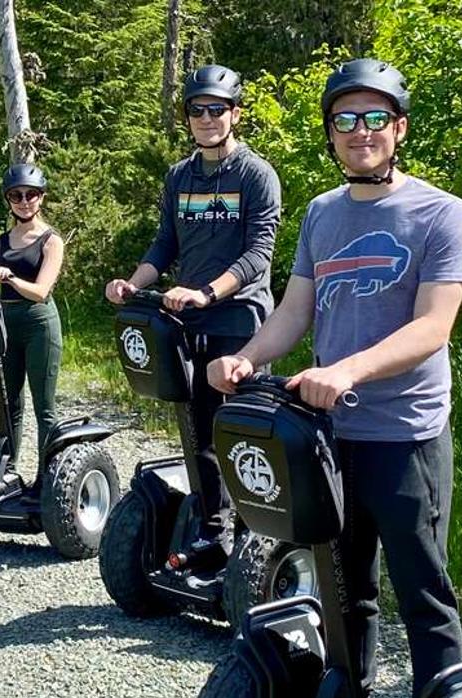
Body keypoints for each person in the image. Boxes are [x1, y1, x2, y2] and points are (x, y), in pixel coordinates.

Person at [206, 58, 462, 698]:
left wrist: (347, 368)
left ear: (399, 128)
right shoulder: (323, 213)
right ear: (331, 134)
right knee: (345, 587)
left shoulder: (439, 213)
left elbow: (433, 326)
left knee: (425, 594)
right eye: (345, 121)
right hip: (331, 432)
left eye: (373, 118)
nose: (359, 133)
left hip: (405, 434)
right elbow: (293, 313)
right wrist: (247, 358)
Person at [106, 64, 282, 547]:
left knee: (244, 431)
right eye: (197, 110)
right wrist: (133, 283)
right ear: (187, 116)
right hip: (189, 319)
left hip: (241, 320)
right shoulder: (179, 176)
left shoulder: (256, 174)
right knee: (200, 430)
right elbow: (165, 243)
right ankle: (211, 529)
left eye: (216, 109)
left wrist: (206, 292)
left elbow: (257, 254)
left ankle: (255, 536)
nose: (206, 118)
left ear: (235, 114)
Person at [0, 163, 67, 489]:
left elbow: (42, 291)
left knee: (43, 406)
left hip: (38, 324)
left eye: (31, 194)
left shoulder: (50, 240)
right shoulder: (0, 241)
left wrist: (11, 278)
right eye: (17, 195)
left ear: (41, 197)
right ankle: (8, 472)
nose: (24, 201)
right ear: (9, 200)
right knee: (9, 404)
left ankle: (48, 477)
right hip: (7, 325)